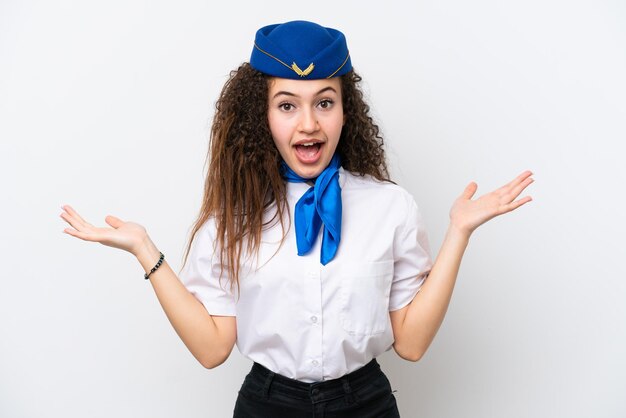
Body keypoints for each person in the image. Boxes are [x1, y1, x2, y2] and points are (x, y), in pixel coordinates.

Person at [60, 20, 533, 418]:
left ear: (347, 111)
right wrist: (146, 250)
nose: (309, 123)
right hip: (268, 405)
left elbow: (410, 343)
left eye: (324, 102)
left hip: (366, 403)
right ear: (261, 115)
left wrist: (459, 232)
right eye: (287, 105)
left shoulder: (392, 208)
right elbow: (212, 349)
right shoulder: (231, 220)